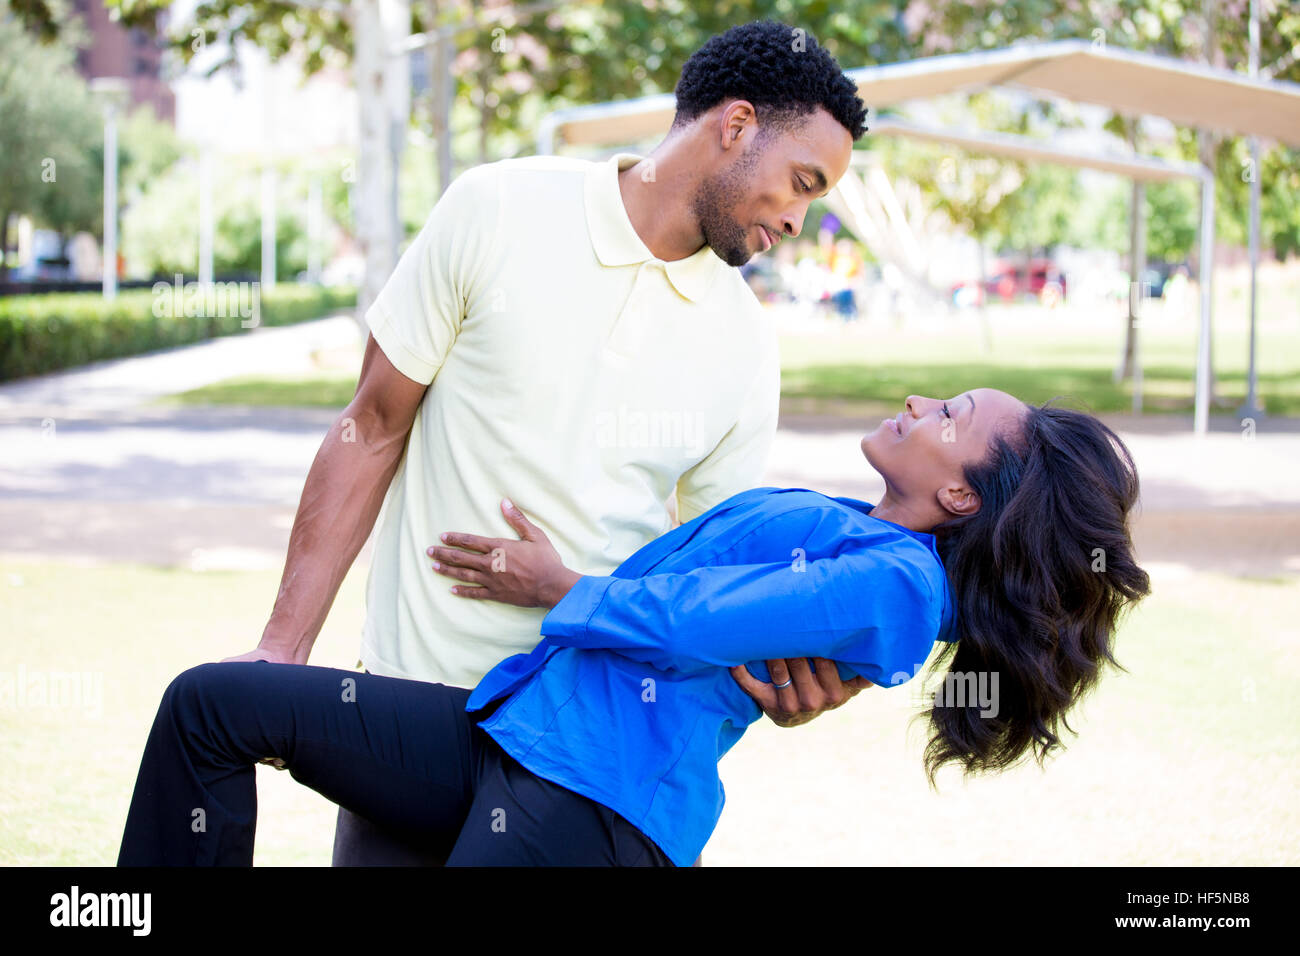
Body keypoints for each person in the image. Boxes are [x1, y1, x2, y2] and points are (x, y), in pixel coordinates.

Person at [214, 21, 870, 864]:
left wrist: (782, 680)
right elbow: (372, 426)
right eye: (800, 183)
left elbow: (706, 581)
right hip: (411, 712)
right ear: (735, 126)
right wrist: (283, 647)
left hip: (584, 757)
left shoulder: (747, 343)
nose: (798, 220)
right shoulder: (496, 208)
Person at [117, 388, 1151, 866]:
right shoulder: (851, 529)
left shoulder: (900, 585)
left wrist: (559, 583)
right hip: (512, 734)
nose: (922, 401)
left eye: (951, 416)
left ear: (965, 497)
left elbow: (707, 620)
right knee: (213, 705)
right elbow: (714, 610)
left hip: (593, 808)